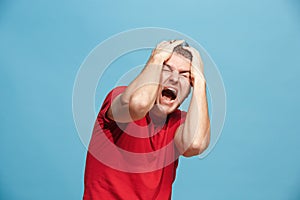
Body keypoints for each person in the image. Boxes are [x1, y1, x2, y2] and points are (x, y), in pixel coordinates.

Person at [83, 40, 210, 200]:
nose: (175, 79)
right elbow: (138, 105)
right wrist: (156, 58)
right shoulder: (120, 97)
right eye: (167, 69)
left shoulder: (180, 123)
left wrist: (200, 81)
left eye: (185, 75)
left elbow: (195, 144)